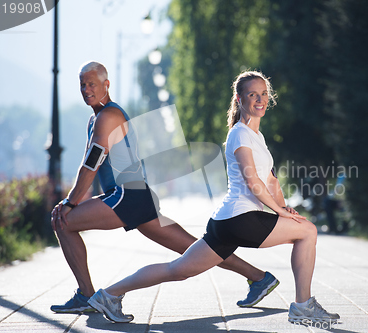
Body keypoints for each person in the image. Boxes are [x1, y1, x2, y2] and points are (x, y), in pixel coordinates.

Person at [88, 70, 340, 325]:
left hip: (227, 222)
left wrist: (284, 207)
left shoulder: (256, 137)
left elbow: (271, 180)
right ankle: (302, 306)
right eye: (253, 94)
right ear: (239, 99)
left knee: (178, 269)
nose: (260, 99)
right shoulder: (240, 134)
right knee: (307, 231)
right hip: (242, 218)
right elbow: (253, 182)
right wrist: (280, 212)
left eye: (264, 94)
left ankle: (109, 294)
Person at [50, 62, 280, 314]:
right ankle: (259, 277)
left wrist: (70, 203)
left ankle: (86, 294)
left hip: (127, 196)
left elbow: (90, 164)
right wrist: (82, 199)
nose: (86, 89)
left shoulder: (107, 116)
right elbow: (90, 165)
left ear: (106, 85)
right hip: (135, 197)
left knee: (63, 221)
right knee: (197, 249)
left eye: (92, 84)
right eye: (82, 84)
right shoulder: (96, 119)